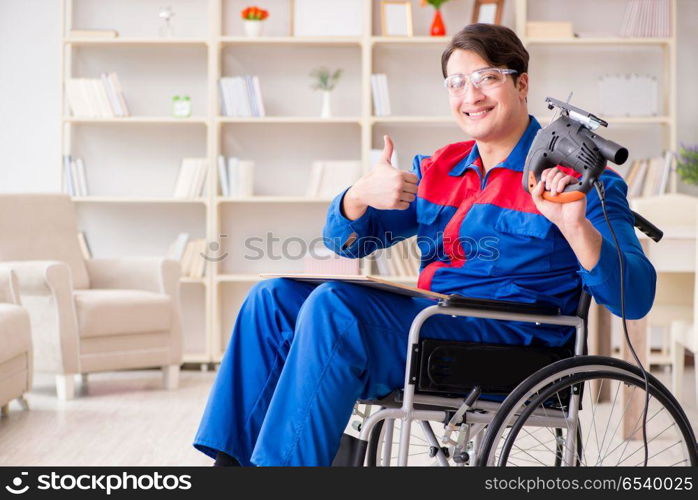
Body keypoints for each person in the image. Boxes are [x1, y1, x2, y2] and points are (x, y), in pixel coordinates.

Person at [193, 23, 656, 467]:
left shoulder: (578, 177)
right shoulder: (438, 167)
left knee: (338, 308)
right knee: (272, 299)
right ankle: (233, 470)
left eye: (486, 79)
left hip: (513, 346)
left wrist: (576, 227)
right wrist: (357, 197)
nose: (469, 95)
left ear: (522, 84)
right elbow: (347, 243)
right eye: (456, 83)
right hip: (434, 322)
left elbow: (634, 297)